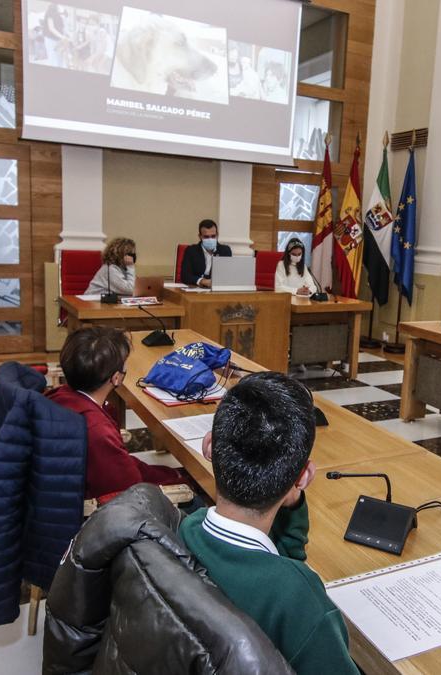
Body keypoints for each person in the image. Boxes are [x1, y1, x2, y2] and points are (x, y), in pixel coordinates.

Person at [181, 373, 358, 675]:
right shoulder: (299, 598)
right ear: (303, 477)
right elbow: (286, 578)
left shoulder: (187, 527)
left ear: (209, 446)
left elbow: (278, 565)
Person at [46, 327, 189, 499]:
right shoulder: (97, 431)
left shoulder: (58, 396)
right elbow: (131, 491)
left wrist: (173, 474)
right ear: (116, 378)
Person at [180, 219, 232, 287]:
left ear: (217, 235)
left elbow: (228, 275)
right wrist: (201, 281)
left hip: (217, 290)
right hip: (196, 290)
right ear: (200, 236)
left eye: (213, 236)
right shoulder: (191, 250)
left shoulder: (225, 251)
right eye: (206, 237)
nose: (210, 239)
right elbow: (185, 276)